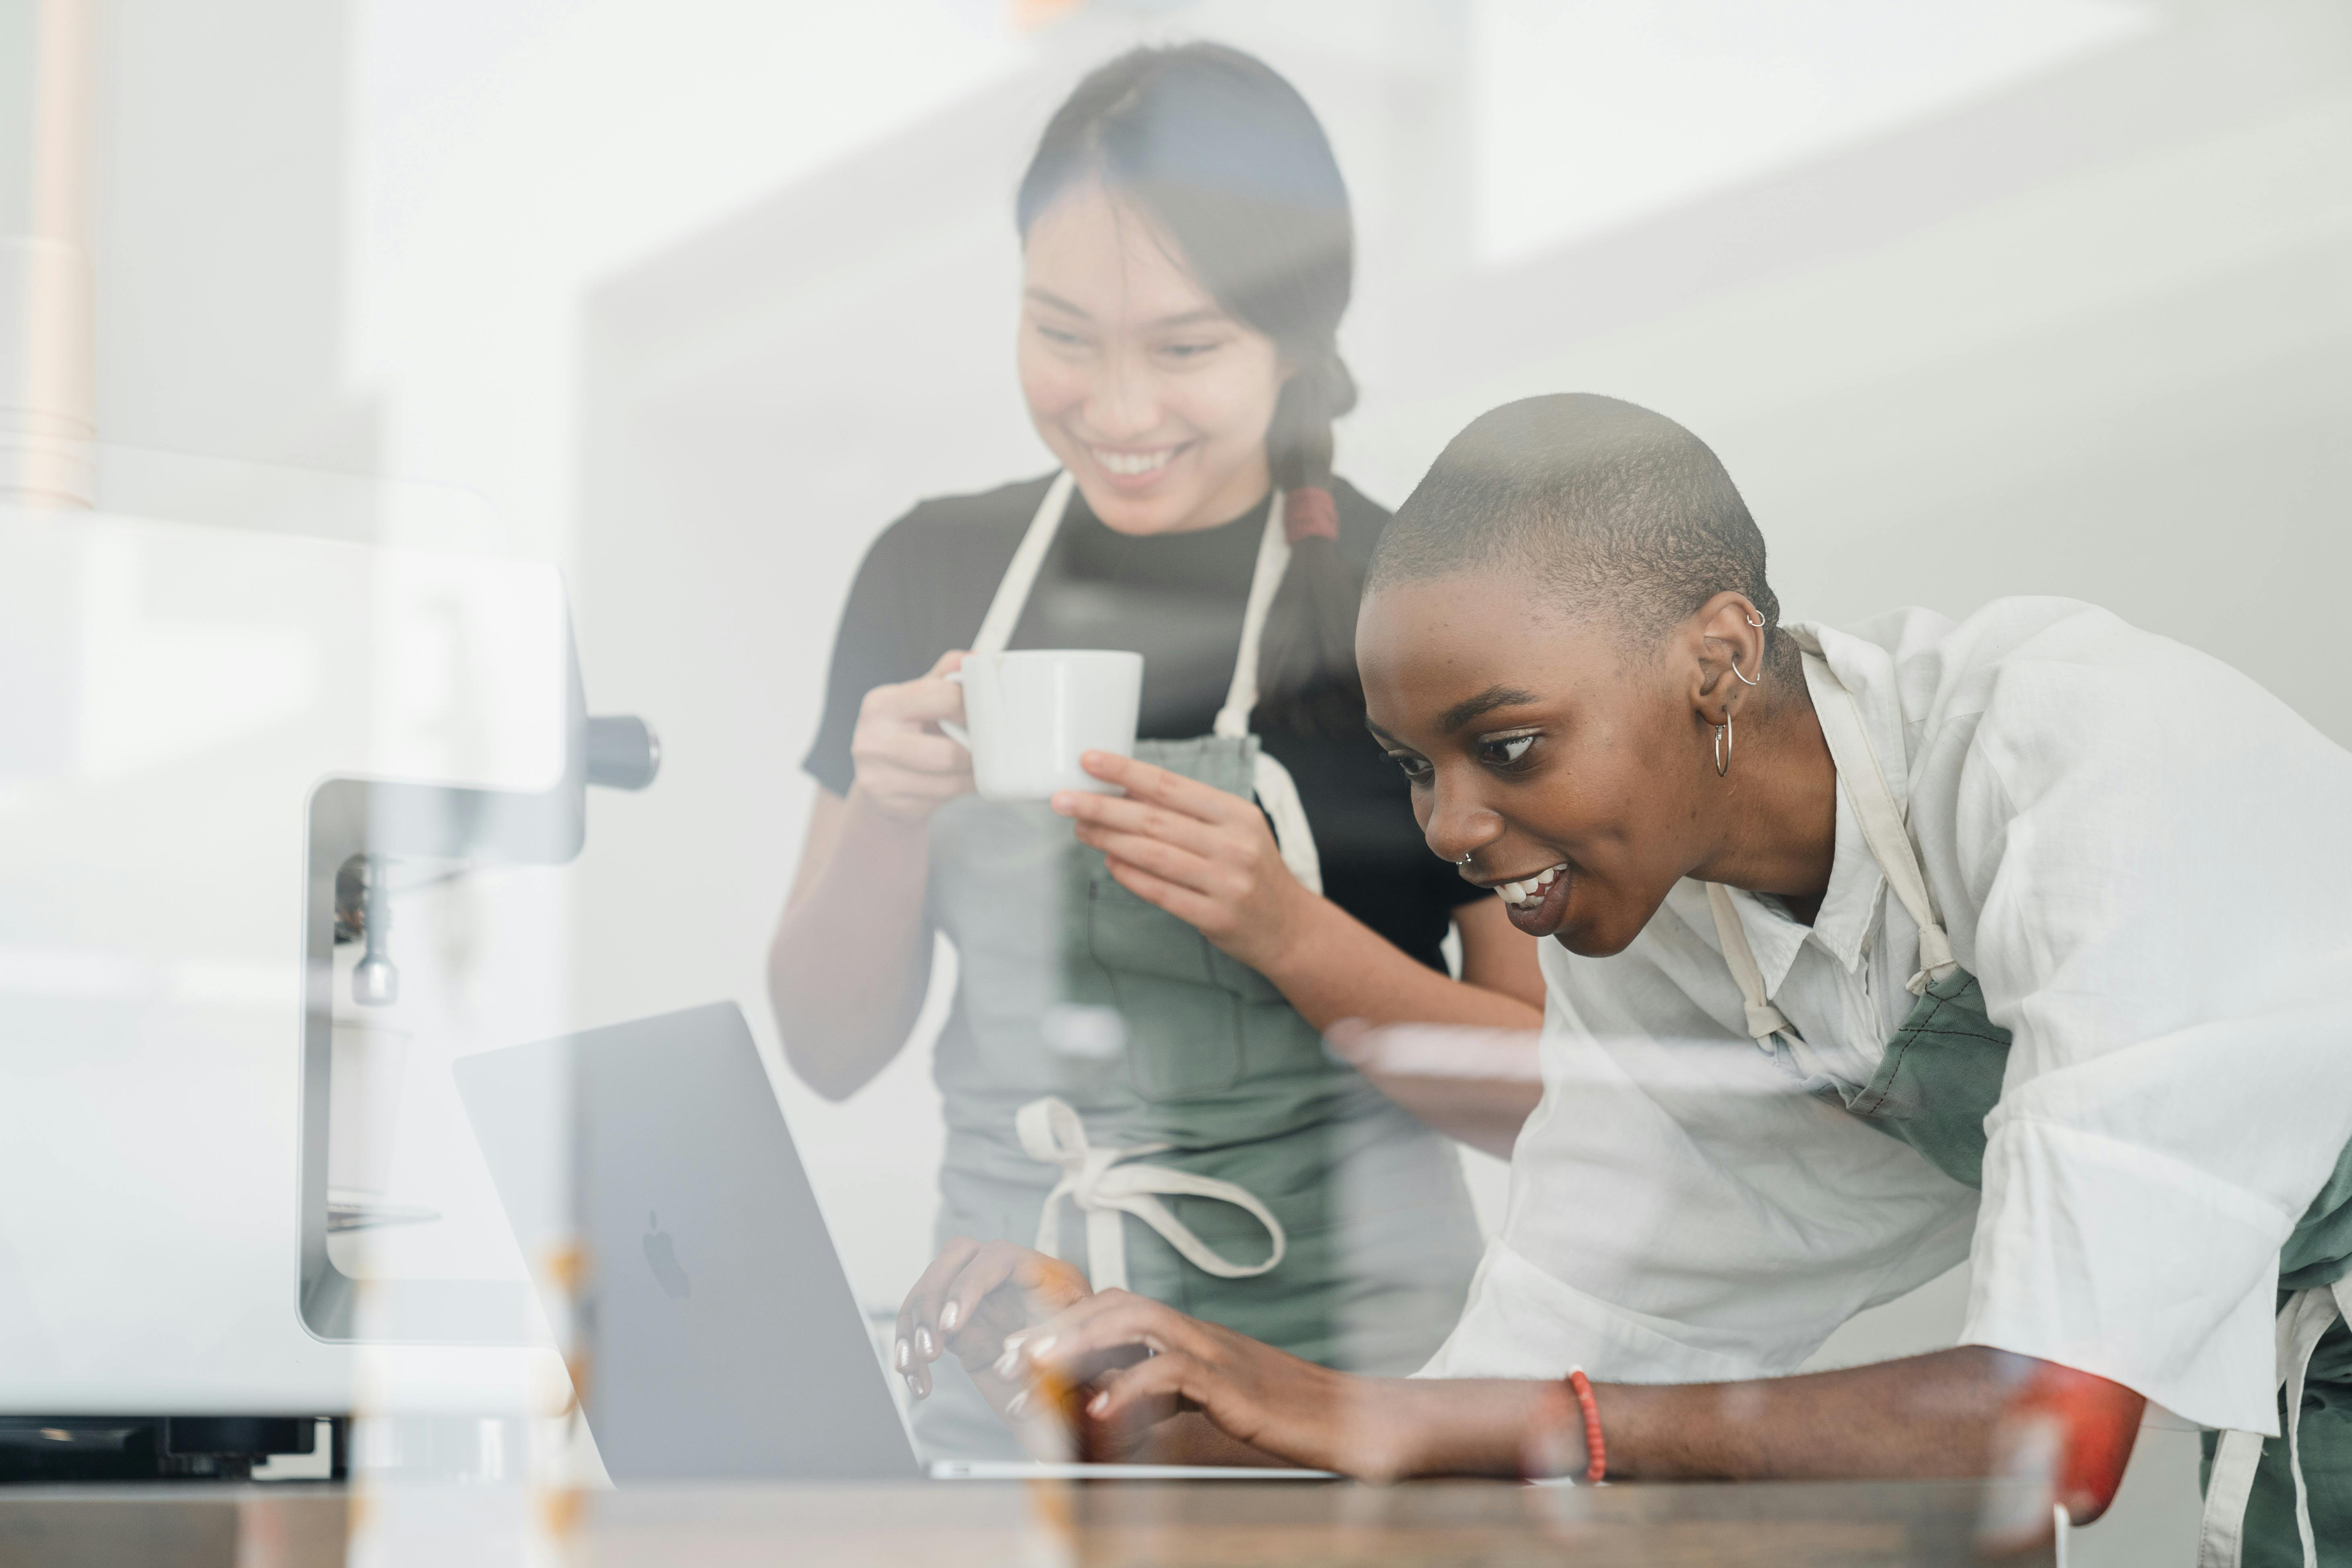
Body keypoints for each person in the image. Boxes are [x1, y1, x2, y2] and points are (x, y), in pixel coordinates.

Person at [905, 394, 2352, 1561]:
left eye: (1511, 745)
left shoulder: (2081, 754)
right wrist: (1186, 1387)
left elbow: (2047, 1429)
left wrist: (1350, 1406)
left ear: (1718, 656)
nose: (1453, 831)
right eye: (1417, 767)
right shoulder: (1667, 935)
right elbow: (1550, 1366)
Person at [769, 45, 1545, 1460]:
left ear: (1296, 336)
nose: (1116, 411)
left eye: (1184, 349)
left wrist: (1286, 931)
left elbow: (1547, 1100)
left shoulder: (1427, 609)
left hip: (1347, 1417)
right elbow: (823, 1050)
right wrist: (885, 820)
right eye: (1063, 333)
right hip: (1007, 1406)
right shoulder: (928, 574)